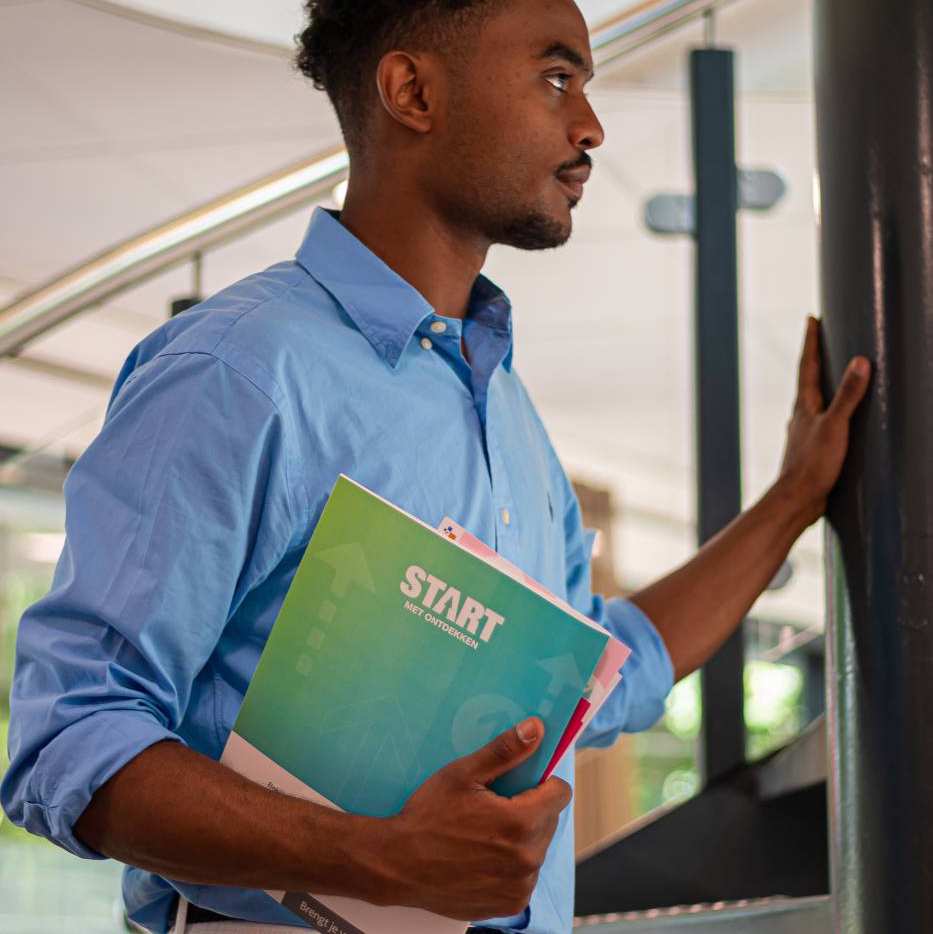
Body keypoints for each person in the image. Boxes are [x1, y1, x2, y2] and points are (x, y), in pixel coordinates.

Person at [0, 0, 871, 932]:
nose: (590, 126)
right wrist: (381, 859)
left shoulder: (511, 416)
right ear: (412, 91)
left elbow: (600, 673)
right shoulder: (237, 372)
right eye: (555, 77)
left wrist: (791, 501)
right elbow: (72, 740)